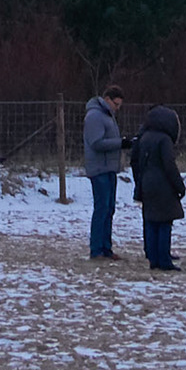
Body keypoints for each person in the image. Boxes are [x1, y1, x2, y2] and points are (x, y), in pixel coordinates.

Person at [129, 105, 186, 271]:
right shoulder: (164, 140)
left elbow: (135, 161)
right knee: (164, 222)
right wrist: (179, 186)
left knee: (151, 221)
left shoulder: (143, 137)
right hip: (163, 186)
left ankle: (153, 259)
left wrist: (140, 182)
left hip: (147, 184)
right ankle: (164, 260)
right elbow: (169, 165)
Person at [82, 86, 132, 260]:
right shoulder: (95, 116)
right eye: (116, 104)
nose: (117, 108)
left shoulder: (107, 116)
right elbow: (96, 143)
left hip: (109, 168)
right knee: (102, 208)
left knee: (109, 208)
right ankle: (96, 249)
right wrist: (120, 143)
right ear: (107, 99)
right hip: (99, 169)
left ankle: (106, 248)